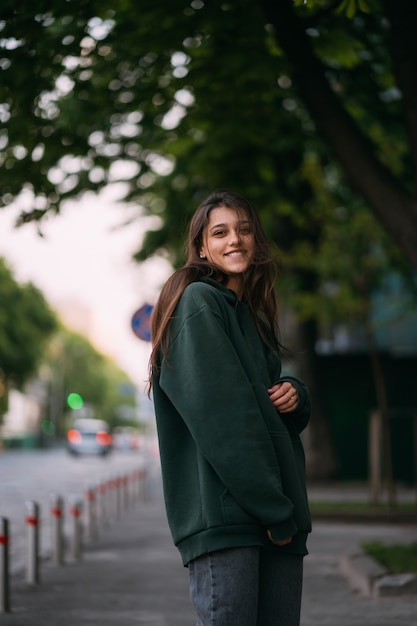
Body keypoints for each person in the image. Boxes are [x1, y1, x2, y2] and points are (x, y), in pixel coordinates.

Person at [149, 190, 311, 626]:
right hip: (231, 520)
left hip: (274, 516)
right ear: (202, 247)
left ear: (256, 241)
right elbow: (225, 422)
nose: (234, 240)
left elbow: (264, 403)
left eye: (243, 230)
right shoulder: (198, 304)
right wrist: (276, 510)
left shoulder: (250, 316)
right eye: (220, 232)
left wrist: (294, 394)